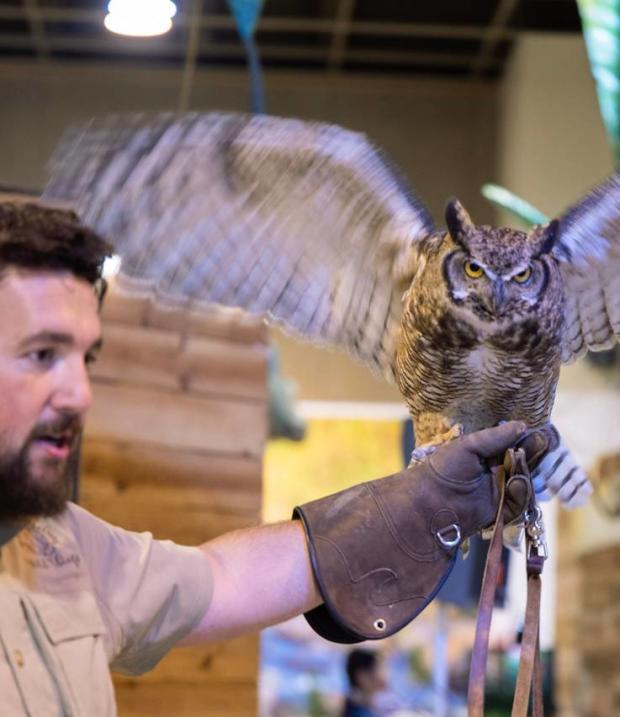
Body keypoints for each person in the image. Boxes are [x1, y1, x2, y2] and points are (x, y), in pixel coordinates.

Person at [0, 200, 547, 715]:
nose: (78, 394)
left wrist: (422, 503)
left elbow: (222, 580)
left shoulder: (60, 548)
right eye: (41, 355)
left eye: (84, 359)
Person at [342, 649, 386, 717]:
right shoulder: (358, 712)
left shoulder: (366, 705)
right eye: (375, 669)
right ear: (361, 676)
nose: (382, 674)